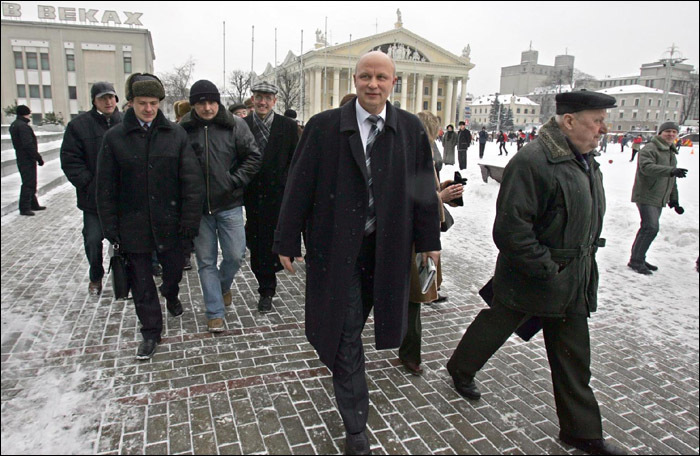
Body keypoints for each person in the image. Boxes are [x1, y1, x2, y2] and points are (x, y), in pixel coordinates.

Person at [273, 51, 441, 456]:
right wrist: (285, 239)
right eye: (365, 76)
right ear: (354, 79)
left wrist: (430, 243)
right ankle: (355, 425)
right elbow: (299, 185)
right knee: (346, 333)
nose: (373, 84)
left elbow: (422, 193)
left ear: (393, 82)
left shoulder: (410, 129)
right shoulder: (324, 127)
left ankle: (344, 369)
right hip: (336, 249)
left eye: (381, 77)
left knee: (366, 320)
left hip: (388, 251)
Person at [446, 90, 626, 456]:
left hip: (572, 278)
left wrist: (574, 267)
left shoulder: (585, 161)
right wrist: (547, 268)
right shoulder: (534, 161)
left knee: (574, 356)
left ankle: (581, 431)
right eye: (597, 121)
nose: (603, 129)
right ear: (570, 120)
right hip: (536, 276)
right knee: (498, 323)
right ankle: (461, 368)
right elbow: (511, 229)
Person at [96, 73, 203, 360]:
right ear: (130, 103)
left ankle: (171, 293)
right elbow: (105, 187)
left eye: (153, 103)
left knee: (172, 272)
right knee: (141, 283)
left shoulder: (175, 134)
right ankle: (151, 332)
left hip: (170, 222)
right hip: (132, 224)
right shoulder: (115, 138)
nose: (148, 109)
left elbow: (190, 181)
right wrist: (111, 226)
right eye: (142, 103)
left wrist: (189, 221)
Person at [180, 80, 262, 331]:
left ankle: (223, 286)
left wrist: (234, 180)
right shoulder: (182, 129)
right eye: (201, 103)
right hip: (199, 208)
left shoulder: (235, 125)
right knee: (205, 261)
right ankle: (215, 312)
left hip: (229, 204)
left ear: (218, 102)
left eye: (212, 102)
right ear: (193, 105)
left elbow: (253, 156)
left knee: (235, 255)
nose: (207, 108)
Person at [398, 110, 463, 376]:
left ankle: (410, 350)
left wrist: (442, 191)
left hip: (423, 237)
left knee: (416, 292)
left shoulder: (425, 153)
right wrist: (440, 197)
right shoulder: (408, 154)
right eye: (434, 130)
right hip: (410, 236)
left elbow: (425, 190)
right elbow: (408, 199)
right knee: (413, 296)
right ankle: (410, 352)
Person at [61, 82, 122, 295]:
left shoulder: (125, 122)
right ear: (94, 100)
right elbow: (70, 160)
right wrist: (90, 183)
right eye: (103, 98)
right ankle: (96, 275)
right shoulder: (79, 126)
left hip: (123, 198)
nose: (108, 102)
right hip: (93, 199)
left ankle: (126, 278)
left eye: (112, 97)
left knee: (124, 242)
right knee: (93, 239)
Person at [243, 81, 299, 313]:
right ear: (253, 99)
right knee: (256, 243)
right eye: (258, 97)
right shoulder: (242, 125)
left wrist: (289, 186)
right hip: (252, 195)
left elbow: (295, 159)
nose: (263, 102)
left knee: (273, 241)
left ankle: (269, 281)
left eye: (267, 97)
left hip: (278, 195)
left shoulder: (287, 126)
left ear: (275, 101)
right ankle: (265, 284)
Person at [628, 122, 688, 275]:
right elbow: (646, 168)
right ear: (660, 133)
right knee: (651, 228)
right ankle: (636, 261)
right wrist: (671, 170)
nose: (671, 134)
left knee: (648, 228)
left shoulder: (669, 152)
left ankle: (638, 257)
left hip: (659, 197)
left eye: (674, 132)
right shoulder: (650, 149)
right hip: (647, 194)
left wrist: (674, 200)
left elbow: (671, 179)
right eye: (667, 131)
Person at [9, 105, 45, 216]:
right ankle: (24, 207)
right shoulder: (23, 126)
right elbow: (28, 144)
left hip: (22, 156)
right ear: (26, 113)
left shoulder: (15, 125)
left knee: (30, 181)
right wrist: (38, 157)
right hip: (27, 158)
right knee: (29, 182)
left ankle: (33, 203)